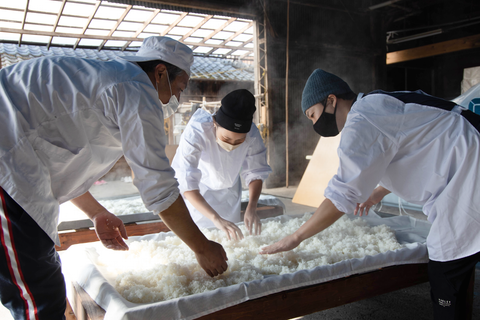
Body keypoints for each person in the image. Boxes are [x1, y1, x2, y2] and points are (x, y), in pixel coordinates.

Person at [0, 36, 228, 320]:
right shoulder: (135, 89)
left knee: (41, 280)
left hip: (16, 160)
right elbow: (157, 185)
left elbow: (56, 160)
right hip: (7, 162)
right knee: (38, 297)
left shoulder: (108, 81)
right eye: (179, 87)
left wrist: (97, 213)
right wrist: (202, 247)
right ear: (159, 73)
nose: (176, 99)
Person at [260, 69, 480, 320]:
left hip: (470, 181)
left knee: (446, 271)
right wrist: (378, 192)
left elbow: (343, 194)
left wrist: (295, 237)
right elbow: (415, 150)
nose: (314, 124)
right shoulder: (380, 103)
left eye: (313, 115)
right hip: (469, 166)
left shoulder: (362, 119)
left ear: (331, 100)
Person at [172, 89, 272, 240]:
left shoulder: (252, 133)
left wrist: (252, 207)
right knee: (202, 236)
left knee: (230, 237)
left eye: (239, 141)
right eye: (226, 138)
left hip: (230, 190)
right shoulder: (197, 130)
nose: (231, 145)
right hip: (198, 191)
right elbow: (186, 181)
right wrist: (215, 218)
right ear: (215, 123)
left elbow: (256, 171)